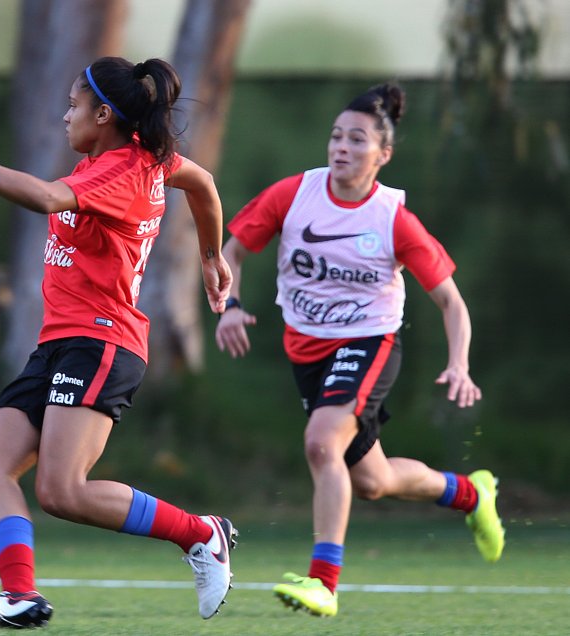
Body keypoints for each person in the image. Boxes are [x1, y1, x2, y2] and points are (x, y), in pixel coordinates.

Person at [0, 56, 236, 629]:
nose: (65, 117)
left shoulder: (122, 170)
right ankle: (20, 596)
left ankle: (200, 533)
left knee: (62, 492)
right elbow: (201, 183)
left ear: (103, 115)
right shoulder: (137, 159)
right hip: (61, 341)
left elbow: (45, 197)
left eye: (73, 105)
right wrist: (211, 256)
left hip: (101, 341)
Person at [215, 83, 505, 618]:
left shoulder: (393, 220)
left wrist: (459, 364)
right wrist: (229, 305)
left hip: (369, 343)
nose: (341, 147)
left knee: (322, 443)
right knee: (373, 481)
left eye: (356, 139)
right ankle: (471, 494)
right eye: (336, 136)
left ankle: (324, 583)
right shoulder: (294, 195)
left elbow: (451, 303)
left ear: (383, 154)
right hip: (307, 351)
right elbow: (230, 251)